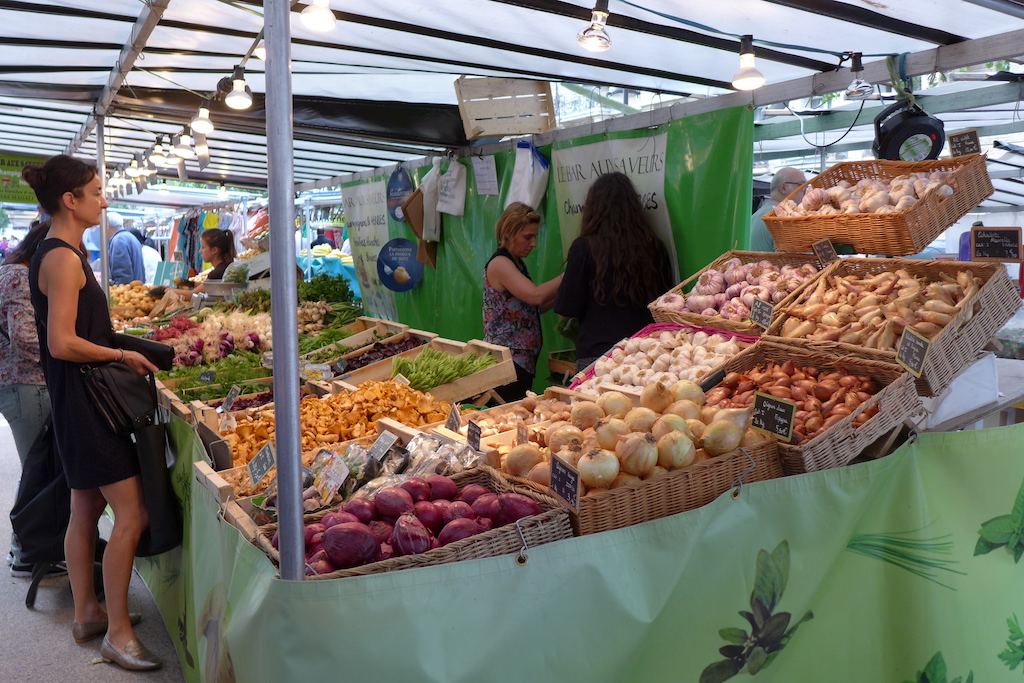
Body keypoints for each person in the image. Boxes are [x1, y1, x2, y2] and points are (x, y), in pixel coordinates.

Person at [23, 154, 161, 671]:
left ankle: (88, 612)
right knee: (132, 514)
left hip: (75, 399)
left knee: (84, 508)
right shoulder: (61, 257)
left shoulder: (65, 250)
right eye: (98, 192)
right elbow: (62, 342)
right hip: (87, 403)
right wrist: (120, 353)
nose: (105, 200)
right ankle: (118, 634)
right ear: (70, 200)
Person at [554, 172, 672, 372]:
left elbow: (566, 311)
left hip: (597, 356)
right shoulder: (655, 247)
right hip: (645, 352)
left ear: (593, 209)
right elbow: (664, 305)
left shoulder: (584, 247)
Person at [0, 220, 60, 577]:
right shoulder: (21, 277)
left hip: (21, 384)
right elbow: (25, 336)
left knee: (36, 471)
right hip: (29, 383)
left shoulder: (11, 271)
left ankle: (27, 547)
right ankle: (28, 551)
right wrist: (69, 350)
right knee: (38, 473)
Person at [483, 203, 562, 401]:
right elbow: (536, 296)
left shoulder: (517, 263)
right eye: (528, 237)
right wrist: (569, 276)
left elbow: (534, 307)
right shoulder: (501, 263)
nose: (533, 243)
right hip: (507, 364)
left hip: (522, 362)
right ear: (509, 233)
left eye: (534, 236)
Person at [750, 167, 807, 252]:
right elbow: (794, 261)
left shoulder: (754, 217)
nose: (806, 191)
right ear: (783, 188)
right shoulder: (783, 218)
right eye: (801, 185)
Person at [172, 228, 236, 297]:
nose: (200, 251)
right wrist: (190, 283)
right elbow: (207, 285)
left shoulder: (218, 272)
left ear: (214, 250)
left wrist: (166, 290)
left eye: (203, 247)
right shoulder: (223, 267)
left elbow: (192, 295)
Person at [106, 211, 146, 284]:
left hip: (127, 291)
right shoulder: (131, 237)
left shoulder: (118, 241)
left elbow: (123, 276)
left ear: (107, 225)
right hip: (137, 288)